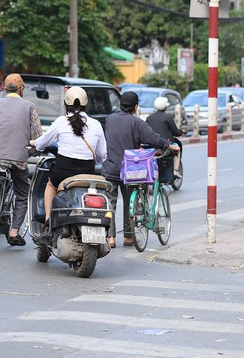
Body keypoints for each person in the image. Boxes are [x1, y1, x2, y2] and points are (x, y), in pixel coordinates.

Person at [101, 91, 180, 248]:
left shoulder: (110, 119)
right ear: (136, 107)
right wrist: (169, 145)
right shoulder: (136, 122)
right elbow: (153, 138)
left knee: (110, 204)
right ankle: (129, 237)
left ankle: (110, 237)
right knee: (131, 202)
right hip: (130, 170)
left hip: (110, 168)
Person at [30, 87, 107, 224]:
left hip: (62, 173)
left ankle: (48, 219)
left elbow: (41, 144)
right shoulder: (96, 125)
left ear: (65, 105)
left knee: (50, 185)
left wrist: (34, 142)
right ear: (86, 105)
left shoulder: (61, 122)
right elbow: (102, 155)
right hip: (87, 172)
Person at [0, 73, 43, 246]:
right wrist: (35, 148)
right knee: (22, 194)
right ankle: (14, 231)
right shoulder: (30, 106)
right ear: (21, 88)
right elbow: (38, 136)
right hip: (18, 156)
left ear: (5, 87)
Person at [146, 96, 183, 181]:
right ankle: (176, 170)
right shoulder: (167, 118)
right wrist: (181, 132)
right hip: (165, 147)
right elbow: (175, 132)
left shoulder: (149, 118)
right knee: (177, 149)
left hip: (151, 147)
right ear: (165, 106)